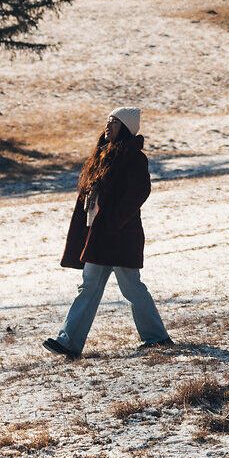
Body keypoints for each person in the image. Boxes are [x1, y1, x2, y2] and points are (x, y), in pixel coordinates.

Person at [43, 108, 171, 359]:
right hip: (100, 235)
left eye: (114, 122)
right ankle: (69, 342)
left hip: (120, 235)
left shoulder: (134, 157)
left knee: (131, 289)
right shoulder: (102, 155)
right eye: (108, 121)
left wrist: (114, 220)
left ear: (125, 127)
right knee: (93, 286)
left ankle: (157, 337)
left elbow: (139, 191)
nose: (107, 126)